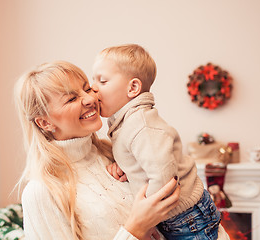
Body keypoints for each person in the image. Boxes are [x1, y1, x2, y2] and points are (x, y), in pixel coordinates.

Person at [14, 60, 181, 240]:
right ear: (45, 122)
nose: (90, 99)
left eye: (87, 89)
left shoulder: (115, 155)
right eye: (71, 99)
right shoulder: (41, 192)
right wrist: (136, 229)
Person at [91, 44, 222, 240]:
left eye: (102, 81)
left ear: (133, 88)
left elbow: (163, 177)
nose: (93, 88)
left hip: (188, 218)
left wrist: (145, 221)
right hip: (178, 218)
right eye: (93, 81)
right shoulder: (127, 123)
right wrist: (126, 167)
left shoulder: (141, 125)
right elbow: (146, 159)